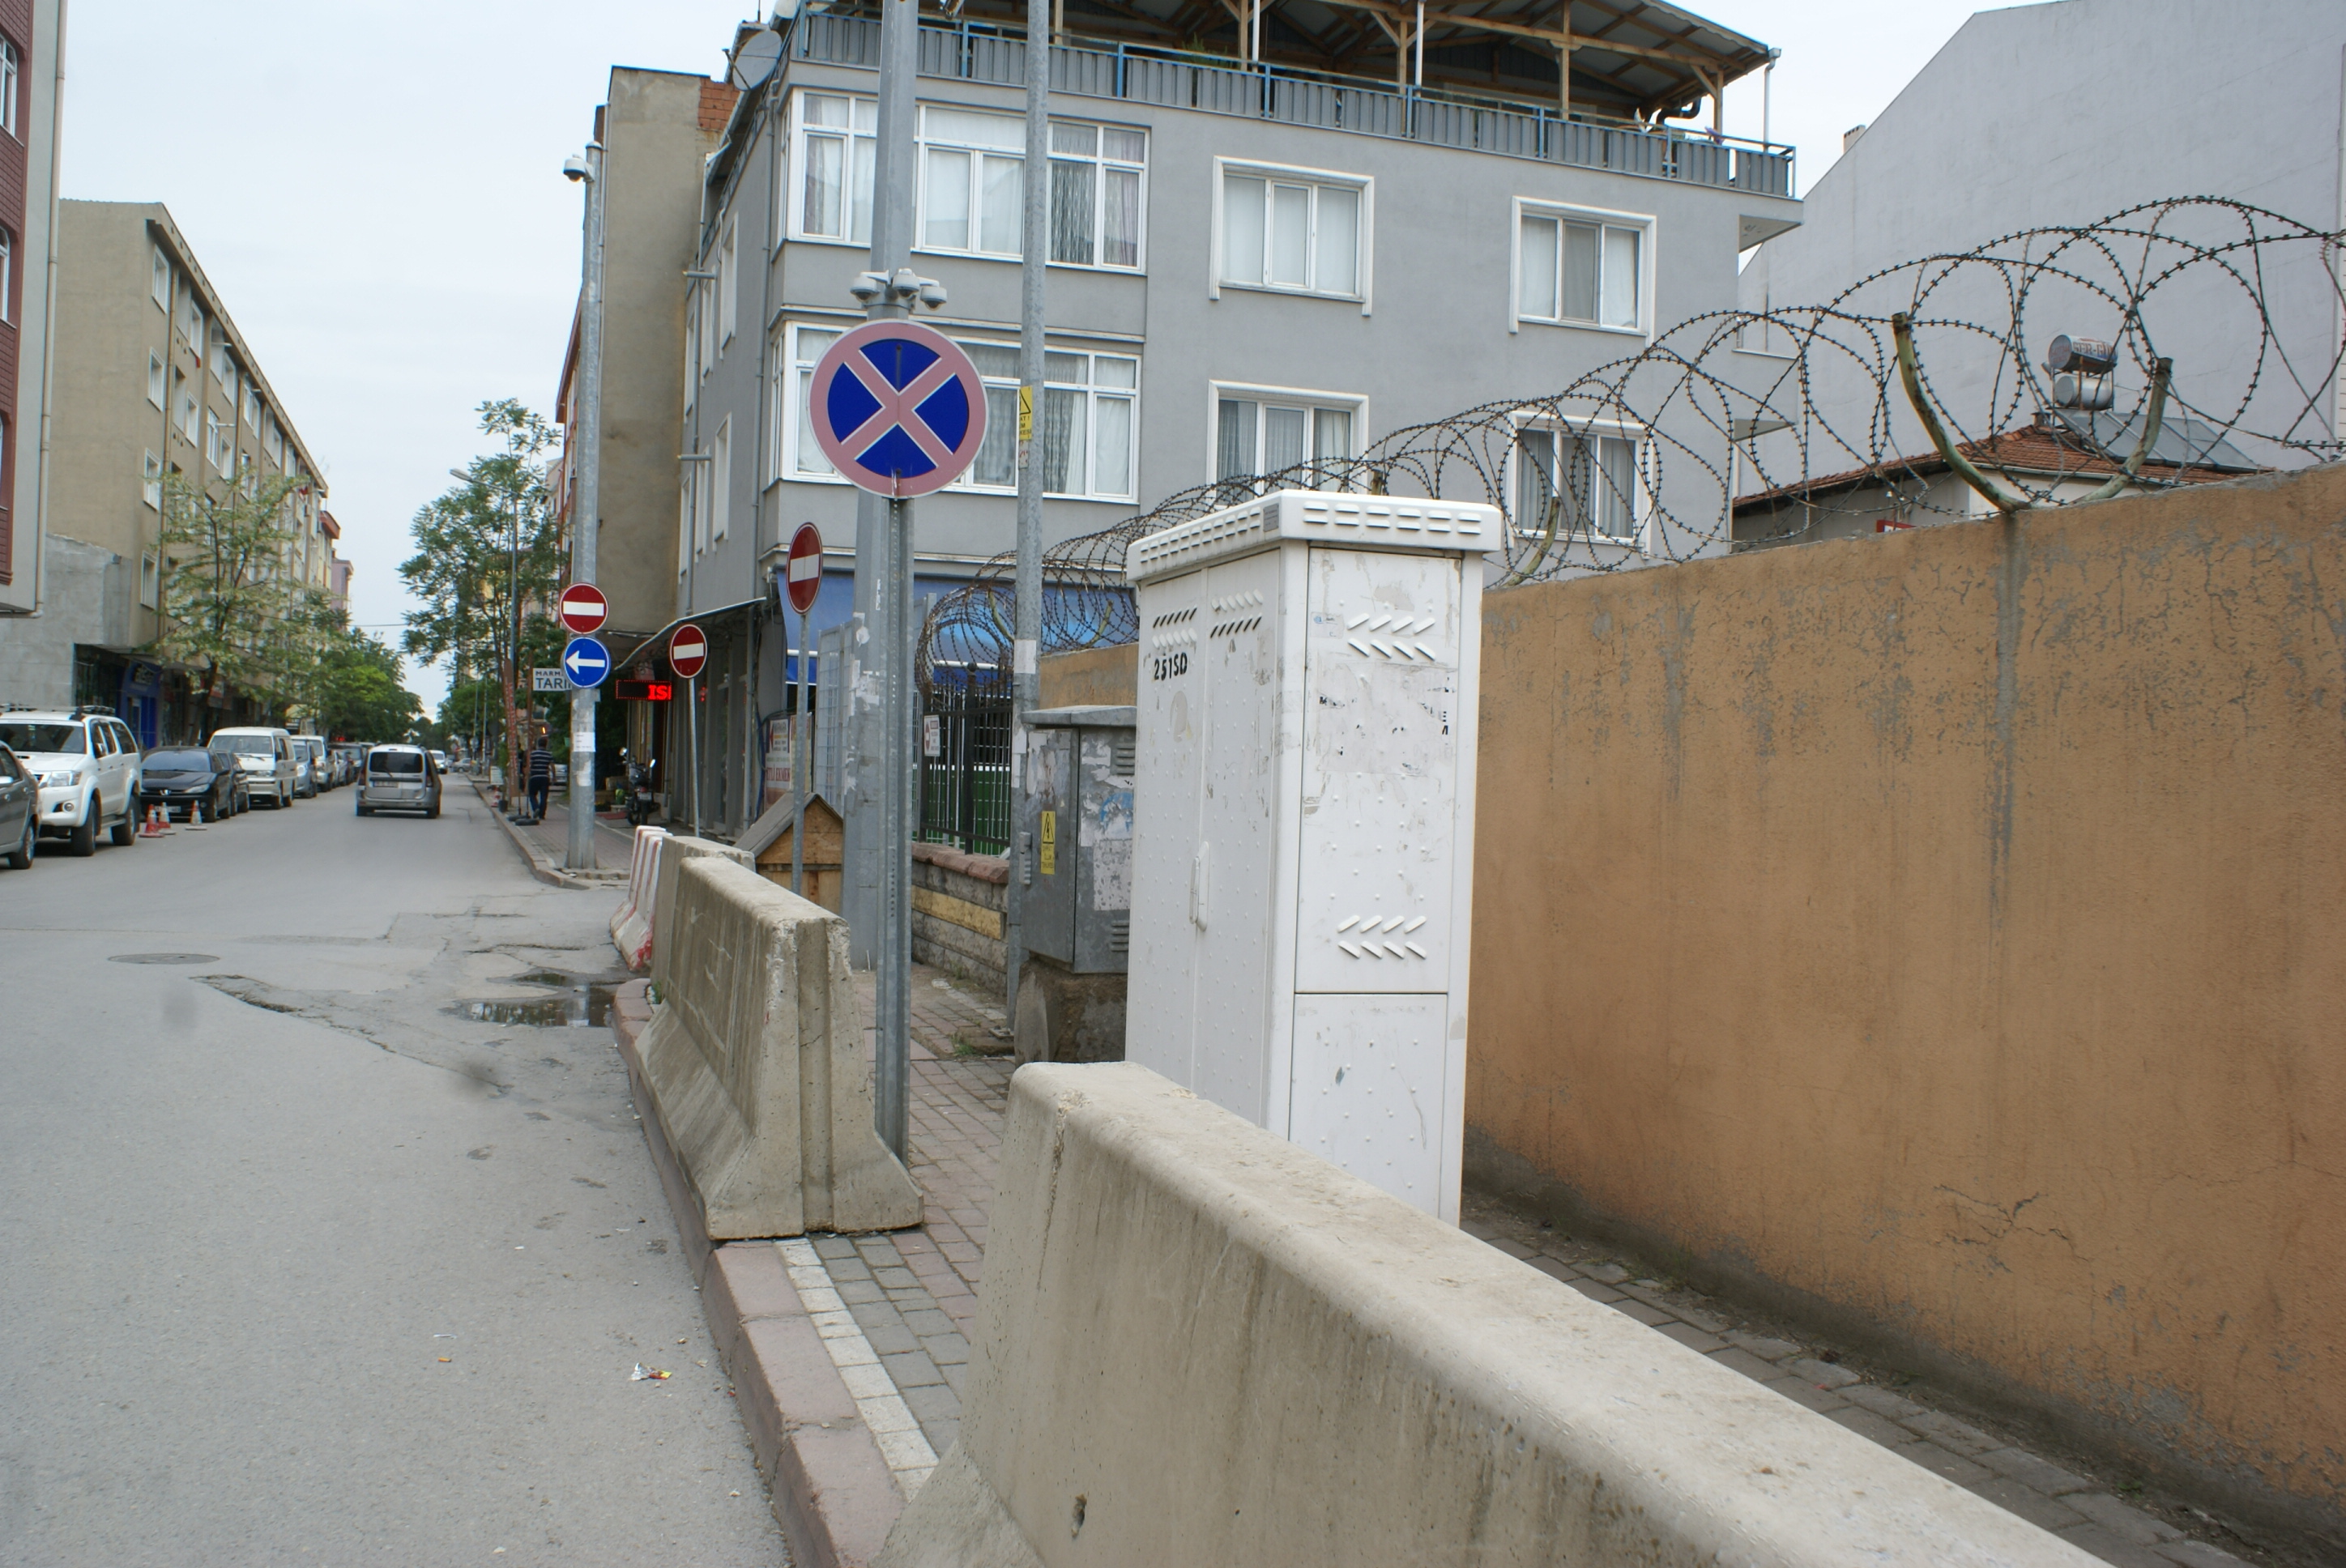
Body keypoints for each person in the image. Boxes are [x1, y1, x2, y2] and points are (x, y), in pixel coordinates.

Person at [526, 732, 554, 820]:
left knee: (532, 794)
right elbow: (552, 766)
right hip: (545, 777)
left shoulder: (533, 754)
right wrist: (554, 777)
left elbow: (530, 765)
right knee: (544, 797)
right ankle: (542, 815)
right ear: (546, 745)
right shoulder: (549, 754)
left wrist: (527, 775)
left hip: (534, 777)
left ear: (538, 744)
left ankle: (536, 808)